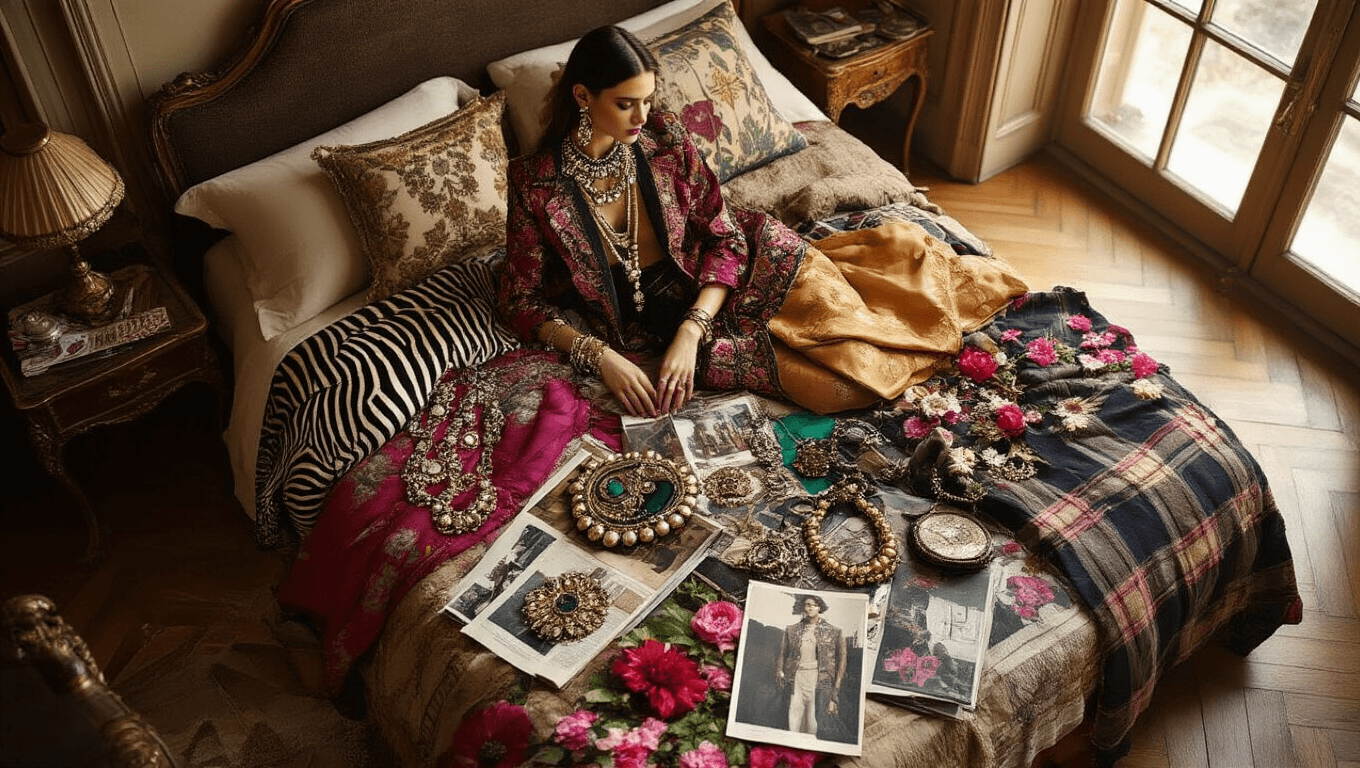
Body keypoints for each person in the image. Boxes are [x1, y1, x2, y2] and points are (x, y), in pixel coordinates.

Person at [496, 26, 1027, 417]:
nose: (642, 117)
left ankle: (936, 323)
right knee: (838, 389)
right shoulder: (535, 185)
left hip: (740, 269)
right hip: (651, 321)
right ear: (583, 97)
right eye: (626, 103)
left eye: (649, 100)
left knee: (861, 333)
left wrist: (691, 328)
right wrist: (602, 356)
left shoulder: (663, 139)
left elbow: (722, 233)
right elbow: (518, 298)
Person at [776, 593, 845, 737]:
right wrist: (779, 671)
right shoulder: (791, 630)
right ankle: (792, 742)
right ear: (803, 607)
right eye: (808, 605)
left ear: (820, 607)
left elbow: (841, 662)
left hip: (818, 678)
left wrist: (835, 689)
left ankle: (808, 745)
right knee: (794, 713)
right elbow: (782, 653)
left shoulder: (834, 632)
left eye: (814, 605)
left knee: (812, 717)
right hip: (797, 676)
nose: (811, 608)